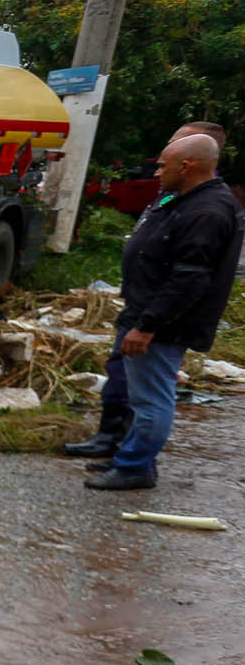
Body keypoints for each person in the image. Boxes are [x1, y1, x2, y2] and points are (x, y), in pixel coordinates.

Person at [85, 132, 243, 490]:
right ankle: (128, 457)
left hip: (163, 324)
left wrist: (147, 326)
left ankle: (135, 468)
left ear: (186, 166)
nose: (156, 172)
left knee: (150, 399)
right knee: (140, 394)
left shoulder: (207, 210)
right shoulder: (186, 199)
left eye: (162, 165)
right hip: (147, 314)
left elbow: (189, 279)